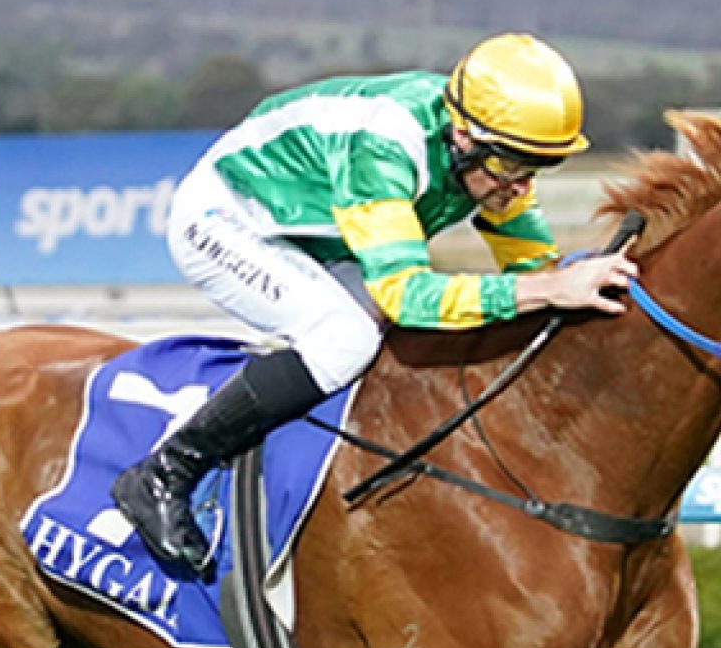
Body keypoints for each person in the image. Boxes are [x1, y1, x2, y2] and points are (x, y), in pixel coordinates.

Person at [111, 32, 640, 576]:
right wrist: (549, 290)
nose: (523, 185)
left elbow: (532, 270)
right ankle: (165, 472)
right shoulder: (386, 147)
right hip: (228, 219)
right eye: (512, 165)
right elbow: (408, 295)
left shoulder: (490, 153)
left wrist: (573, 283)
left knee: (417, 335)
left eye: (538, 167)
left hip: (319, 231)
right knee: (347, 338)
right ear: (463, 135)